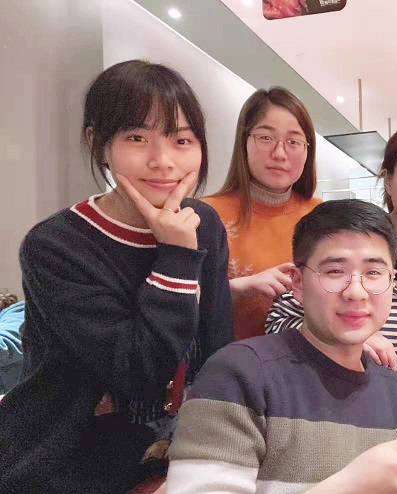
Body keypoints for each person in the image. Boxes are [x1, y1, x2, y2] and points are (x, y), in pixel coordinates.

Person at [0, 60, 232, 494]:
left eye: (181, 140)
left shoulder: (204, 223)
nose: (162, 161)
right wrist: (177, 257)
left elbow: (216, 350)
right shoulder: (56, 245)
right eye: (136, 138)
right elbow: (139, 372)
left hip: (171, 459)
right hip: (63, 465)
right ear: (98, 142)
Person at [165, 199, 397, 494]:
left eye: (373, 273)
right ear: (297, 283)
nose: (356, 291)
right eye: (335, 271)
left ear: (391, 281)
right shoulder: (239, 375)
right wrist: (352, 486)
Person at [266, 119, 397, 377]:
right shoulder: (347, 242)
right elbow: (278, 321)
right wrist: (343, 335)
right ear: (389, 180)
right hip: (344, 397)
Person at [203, 87, 321, 341]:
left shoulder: (323, 216)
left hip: (306, 362)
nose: (279, 153)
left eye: (293, 142)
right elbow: (178, 303)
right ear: (244, 141)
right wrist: (237, 288)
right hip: (226, 361)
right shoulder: (207, 215)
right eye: (266, 137)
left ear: (307, 150)